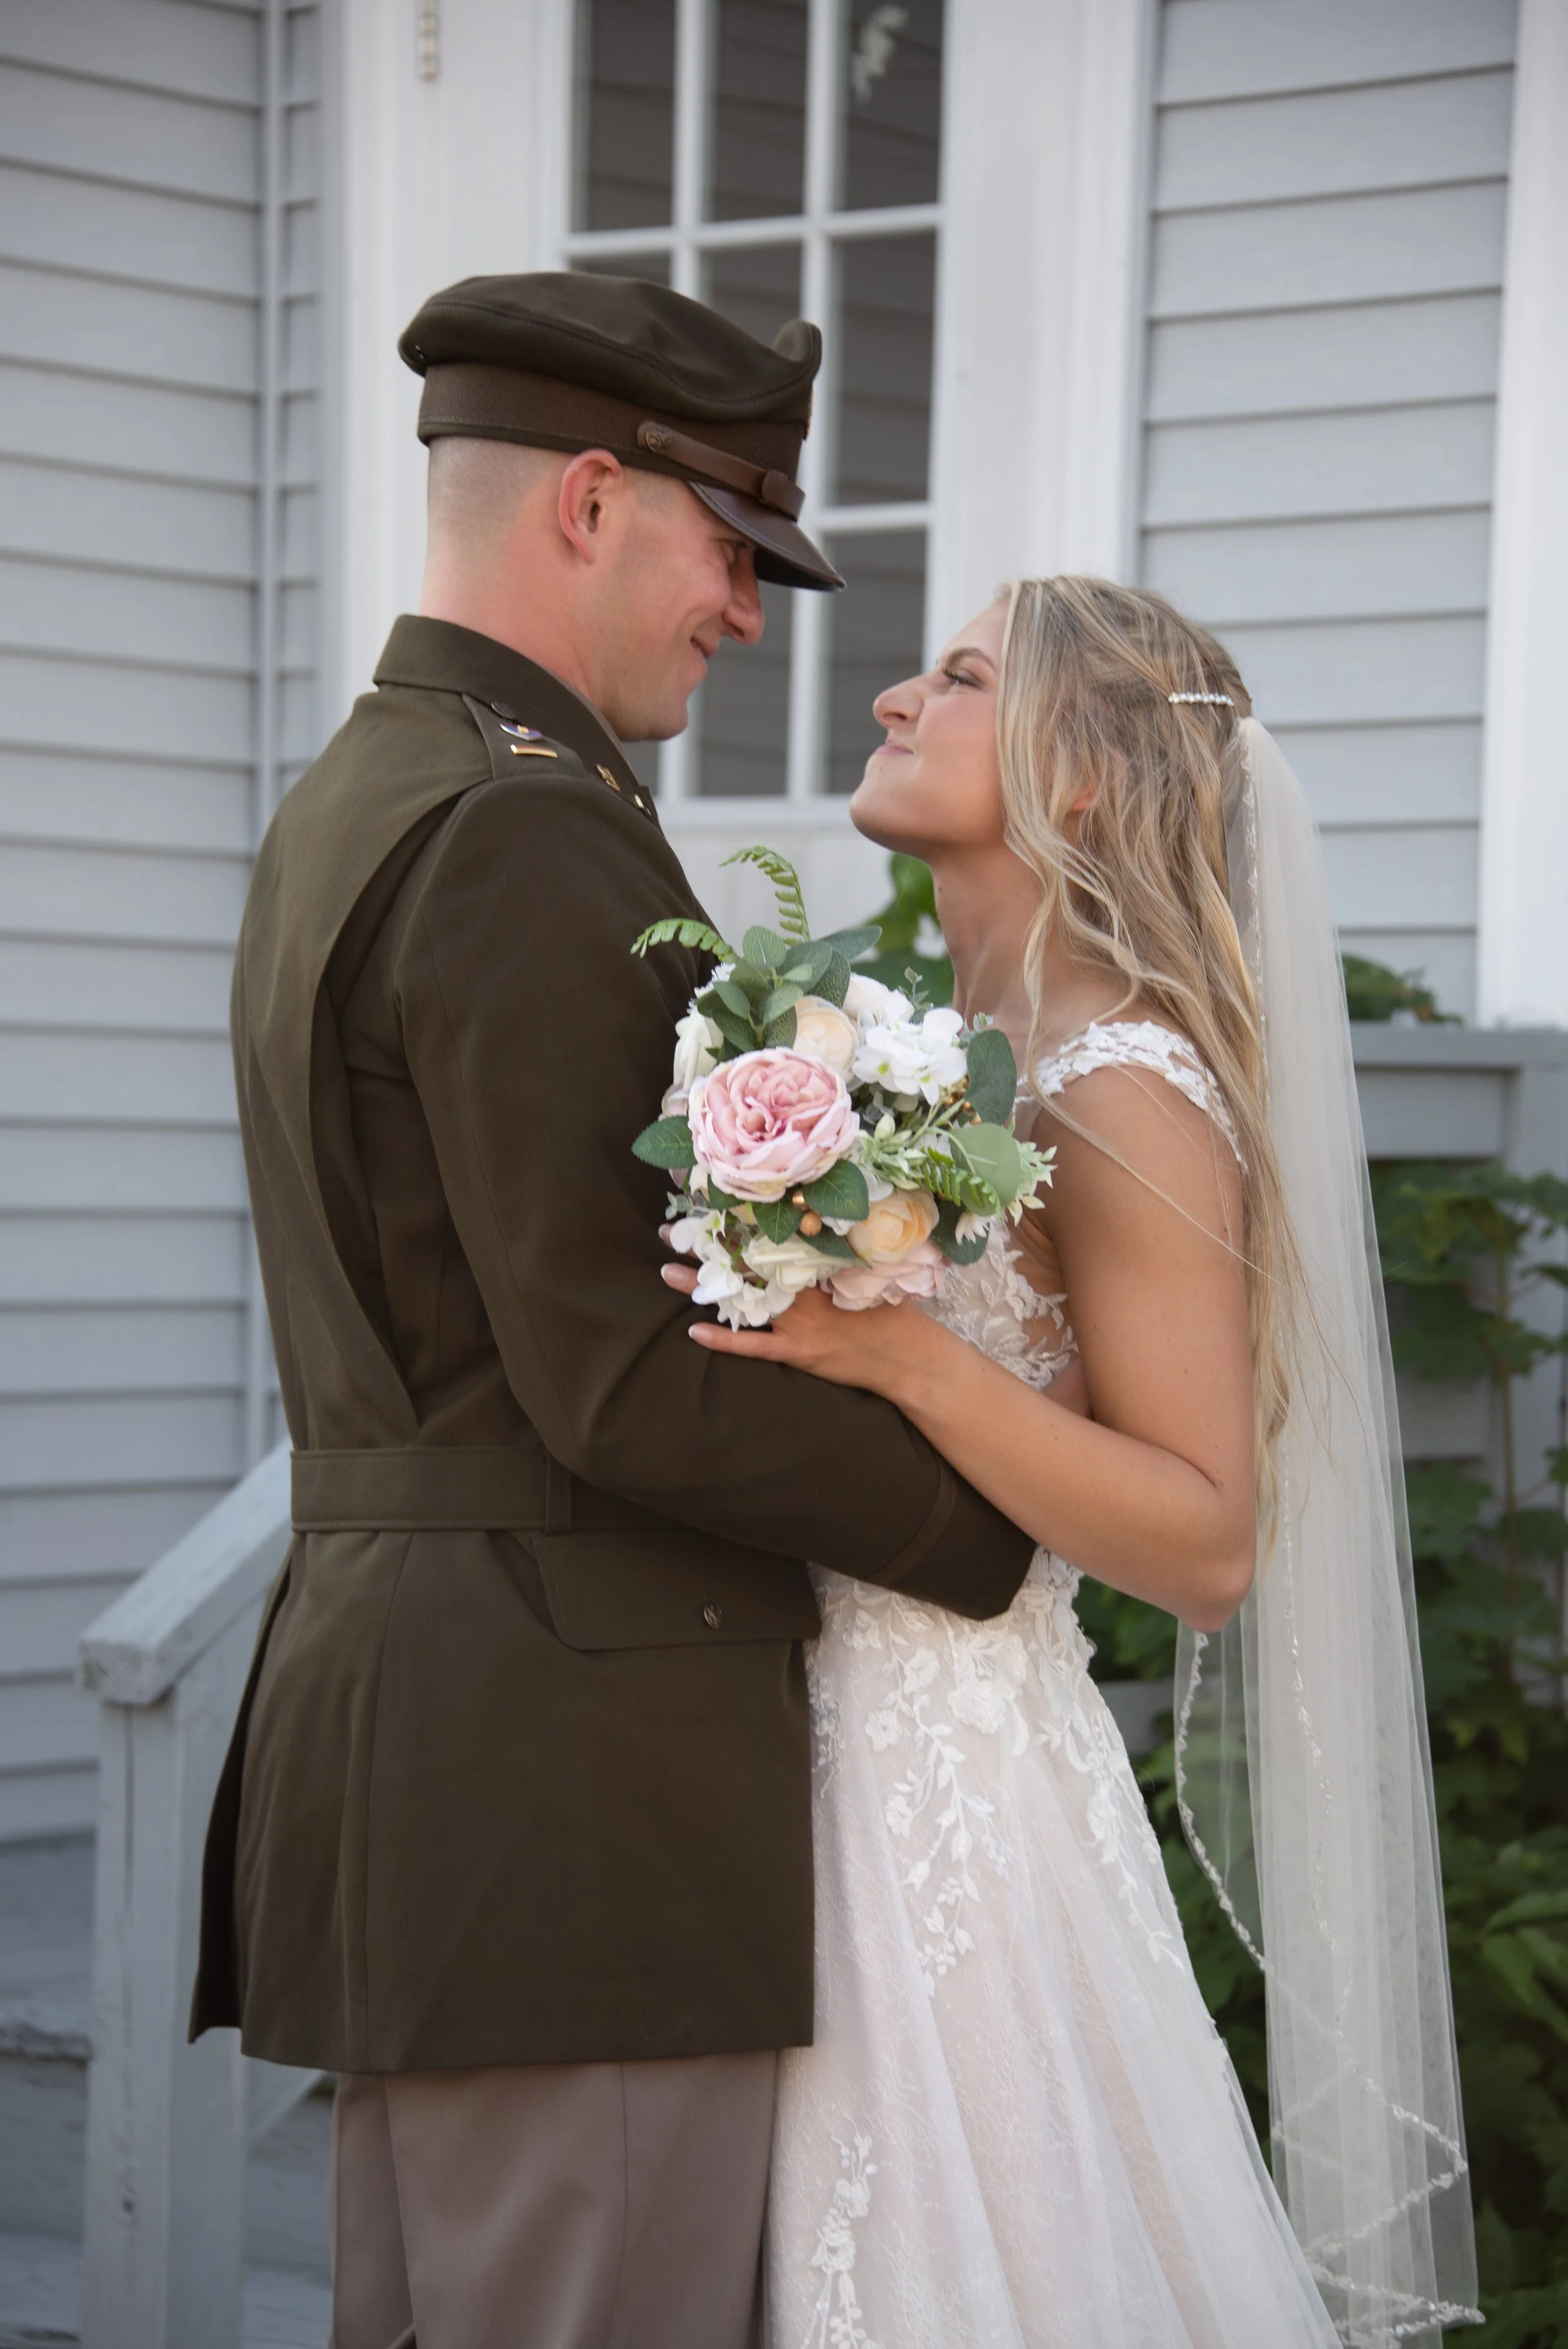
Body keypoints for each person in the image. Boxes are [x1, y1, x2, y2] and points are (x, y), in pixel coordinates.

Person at [188, 273, 1037, 2349]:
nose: (748, 612)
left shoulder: (367, 792)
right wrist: (992, 1538)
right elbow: (620, 1382)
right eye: (731, 549)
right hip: (570, 1770)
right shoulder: (523, 831)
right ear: (588, 500)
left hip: (446, 1729)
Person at [670, 578, 1481, 2347]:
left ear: (1086, 773)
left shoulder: (1121, 1087)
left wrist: (902, 1356)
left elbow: (1204, 1541)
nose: (893, 699)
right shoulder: (918, 1058)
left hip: (944, 1796)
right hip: (777, 1752)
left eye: (960, 676)